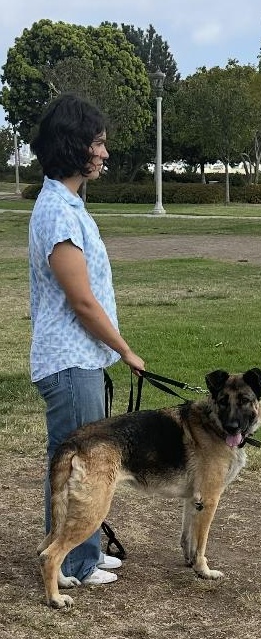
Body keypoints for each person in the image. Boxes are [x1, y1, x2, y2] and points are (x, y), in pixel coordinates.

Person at [29, 93, 145, 589]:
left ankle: (84, 552)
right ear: (74, 146)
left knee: (79, 463)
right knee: (82, 466)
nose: (104, 153)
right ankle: (73, 563)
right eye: (97, 143)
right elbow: (81, 301)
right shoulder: (57, 211)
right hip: (70, 361)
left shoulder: (69, 204)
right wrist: (124, 349)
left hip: (81, 360)